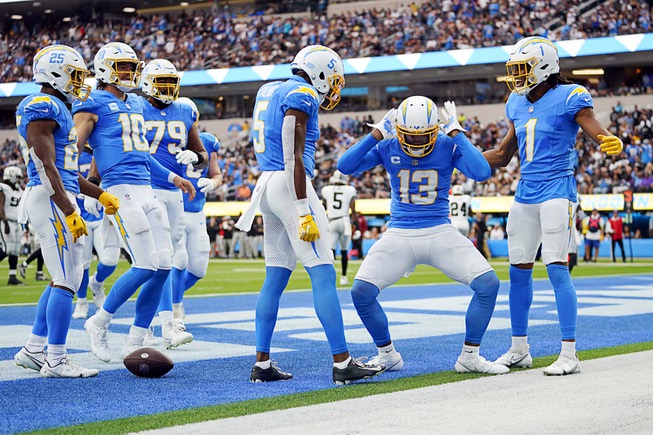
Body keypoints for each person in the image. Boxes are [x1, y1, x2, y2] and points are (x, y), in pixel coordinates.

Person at [235, 45, 385, 384]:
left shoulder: (270, 87)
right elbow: (292, 153)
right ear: (318, 73)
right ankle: (343, 362)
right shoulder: (301, 92)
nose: (334, 87)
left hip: (267, 185)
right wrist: (302, 207)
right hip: (290, 186)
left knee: (274, 278)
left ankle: (261, 364)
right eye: (332, 79)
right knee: (322, 273)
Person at [483, 36, 623, 375]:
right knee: (518, 273)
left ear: (543, 68)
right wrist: (459, 154)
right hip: (525, 193)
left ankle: (570, 354)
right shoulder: (516, 103)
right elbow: (502, 156)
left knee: (557, 270)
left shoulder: (569, 96)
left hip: (557, 191)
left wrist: (606, 139)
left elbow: (593, 128)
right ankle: (519, 349)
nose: (516, 76)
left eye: (522, 68)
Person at [338, 96, 507, 374]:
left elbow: (481, 171)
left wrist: (456, 134)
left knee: (488, 284)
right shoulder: (388, 143)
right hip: (400, 231)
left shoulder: (446, 142)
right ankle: (387, 354)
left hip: (439, 228)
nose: (416, 143)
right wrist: (375, 135)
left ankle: (470, 356)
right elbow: (345, 166)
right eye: (410, 136)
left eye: (424, 136)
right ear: (398, 130)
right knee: (361, 292)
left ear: (436, 130)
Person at [72, 42, 199, 362]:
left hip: (146, 187)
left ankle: (136, 337)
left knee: (164, 266)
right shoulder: (93, 102)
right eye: (123, 67)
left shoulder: (138, 104)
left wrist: (173, 178)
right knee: (144, 264)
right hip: (119, 189)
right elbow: (74, 151)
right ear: (104, 69)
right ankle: (98, 322)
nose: (129, 73)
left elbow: (141, 155)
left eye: (131, 67)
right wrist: (89, 190)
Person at [13, 44, 121, 377]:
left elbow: (66, 171)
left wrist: (100, 194)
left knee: (69, 278)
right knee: (63, 280)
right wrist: (68, 209)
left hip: (58, 196)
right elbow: (45, 166)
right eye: (75, 74)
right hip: (49, 199)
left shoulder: (57, 106)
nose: (79, 81)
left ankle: (33, 349)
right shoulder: (42, 105)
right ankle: (56, 359)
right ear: (56, 73)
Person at [141, 62, 208, 348]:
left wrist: (196, 158)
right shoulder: (135, 107)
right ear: (147, 82)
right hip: (146, 188)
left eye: (171, 82)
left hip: (175, 192)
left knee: (169, 258)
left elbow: (202, 153)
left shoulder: (184, 110)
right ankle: (165, 322)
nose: (168, 88)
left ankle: (153, 322)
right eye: (162, 82)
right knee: (157, 258)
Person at [169, 131, 222, 325]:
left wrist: (213, 183)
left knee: (199, 269)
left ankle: (164, 297)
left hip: (198, 212)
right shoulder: (170, 138)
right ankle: (175, 309)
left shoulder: (208, 142)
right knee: (179, 260)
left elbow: (217, 174)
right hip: (176, 210)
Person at [71, 147, 121, 319]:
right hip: (79, 215)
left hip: (102, 215)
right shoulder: (72, 152)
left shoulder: (104, 149)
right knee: (82, 263)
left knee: (110, 260)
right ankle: (81, 301)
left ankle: (97, 283)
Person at [321, 170, 357, 286]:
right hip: (344, 221)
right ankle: (343, 277)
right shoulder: (350, 190)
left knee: (331, 251)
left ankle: (328, 277)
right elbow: (353, 209)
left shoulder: (327, 190)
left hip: (332, 221)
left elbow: (324, 206)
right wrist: (355, 224)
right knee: (344, 251)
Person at [0, 166, 25, 284]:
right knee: (7, 249)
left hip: (17, 222)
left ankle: (12, 276)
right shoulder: (3, 187)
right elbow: (0, 206)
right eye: (18, 177)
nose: (20, 180)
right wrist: (5, 222)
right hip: (7, 221)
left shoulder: (19, 190)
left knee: (15, 250)